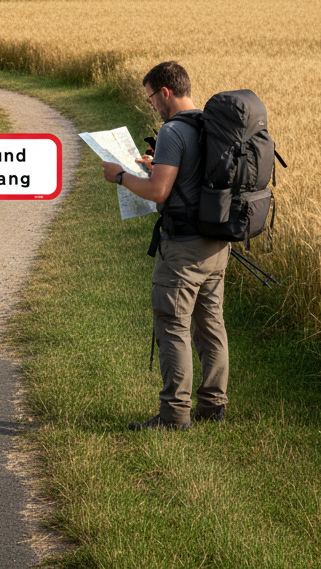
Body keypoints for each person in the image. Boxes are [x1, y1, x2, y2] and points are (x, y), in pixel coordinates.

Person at [101, 61, 229, 430]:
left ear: (165, 92)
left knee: (173, 326)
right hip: (216, 243)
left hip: (184, 249)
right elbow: (190, 176)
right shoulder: (208, 123)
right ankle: (213, 406)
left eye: (151, 98)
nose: (151, 105)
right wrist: (156, 166)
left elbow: (159, 191)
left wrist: (121, 176)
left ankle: (174, 415)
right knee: (211, 325)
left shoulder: (173, 130)